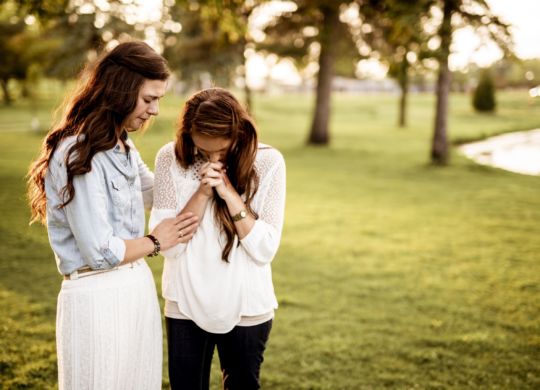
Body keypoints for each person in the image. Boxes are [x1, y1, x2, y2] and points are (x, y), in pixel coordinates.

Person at [26, 41, 198, 390]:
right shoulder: (77, 151)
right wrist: (155, 241)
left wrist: (209, 174)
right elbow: (100, 252)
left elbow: (154, 193)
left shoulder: (121, 142)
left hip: (135, 288)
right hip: (96, 296)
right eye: (149, 99)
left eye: (159, 100)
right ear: (121, 88)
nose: (154, 111)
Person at [150, 87, 286, 389]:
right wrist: (202, 193)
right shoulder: (168, 159)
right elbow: (168, 246)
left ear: (238, 133)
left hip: (247, 306)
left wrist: (228, 194)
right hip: (184, 303)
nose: (212, 159)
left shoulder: (269, 162)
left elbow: (264, 249)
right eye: (202, 150)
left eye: (222, 151)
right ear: (189, 136)